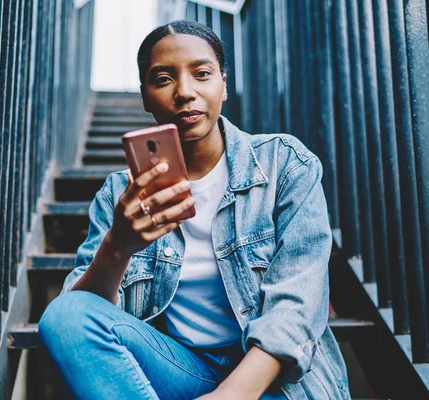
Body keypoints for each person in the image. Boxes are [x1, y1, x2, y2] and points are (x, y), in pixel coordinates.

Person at [39, 20, 350, 400]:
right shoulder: (120, 195)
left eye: (201, 74)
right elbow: (84, 317)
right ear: (144, 96)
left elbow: (297, 307)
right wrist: (118, 246)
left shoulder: (285, 165)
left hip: (274, 383)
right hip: (183, 372)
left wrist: (230, 395)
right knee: (63, 315)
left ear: (223, 83)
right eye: (163, 79)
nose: (185, 92)